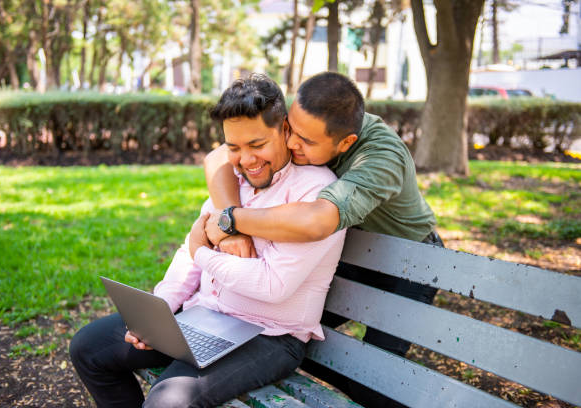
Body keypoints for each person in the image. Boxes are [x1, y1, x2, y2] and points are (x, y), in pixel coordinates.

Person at [69, 74, 347, 408]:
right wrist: (162, 309)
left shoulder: (315, 192)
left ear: (285, 131)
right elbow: (188, 249)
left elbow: (272, 285)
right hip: (204, 317)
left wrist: (203, 253)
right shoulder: (233, 179)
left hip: (269, 336)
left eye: (257, 145)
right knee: (89, 347)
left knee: (167, 402)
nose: (245, 161)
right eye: (234, 148)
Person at [203, 71, 443, 407]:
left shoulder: (381, 156)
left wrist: (231, 219)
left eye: (306, 142)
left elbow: (317, 221)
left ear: (345, 144)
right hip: (352, 256)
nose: (290, 143)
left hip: (409, 267)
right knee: (279, 333)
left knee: (374, 381)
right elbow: (217, 158)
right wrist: (234, 223)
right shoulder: (311, 117)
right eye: (291, 130)